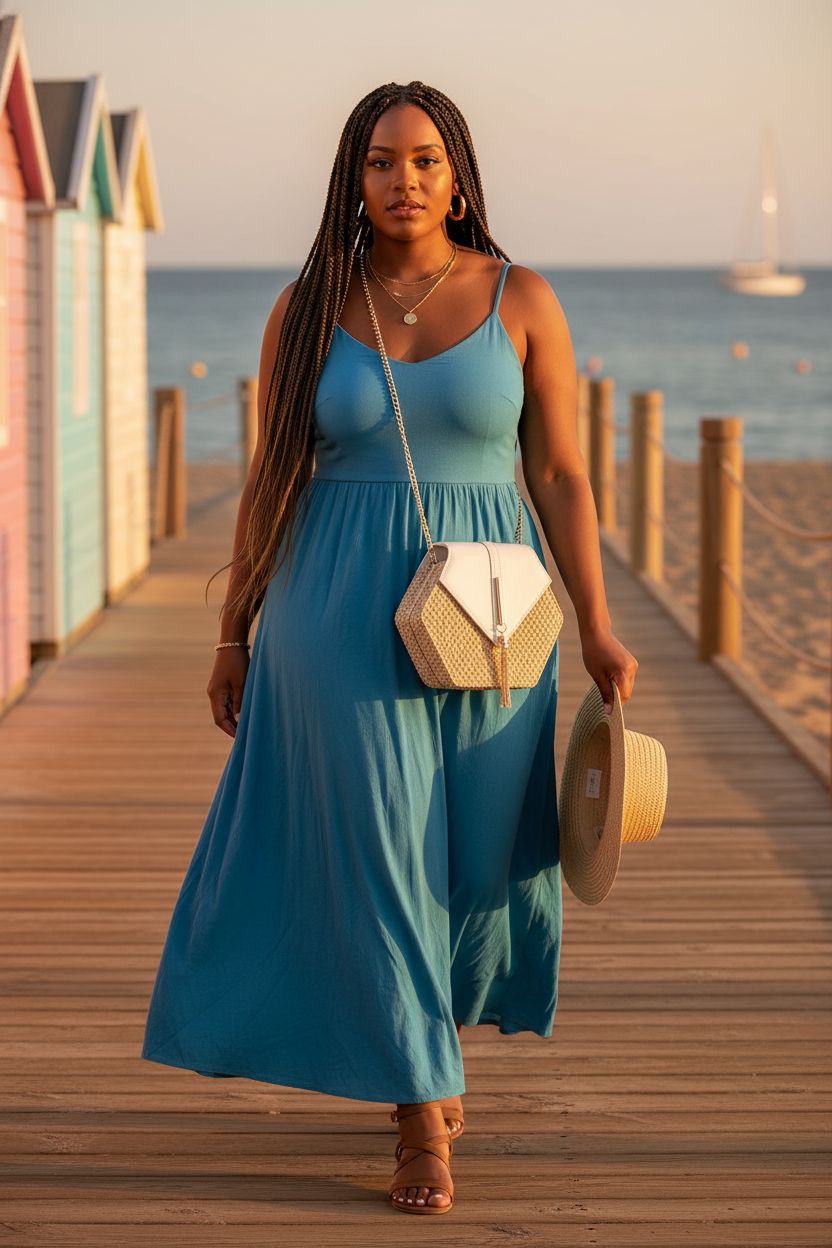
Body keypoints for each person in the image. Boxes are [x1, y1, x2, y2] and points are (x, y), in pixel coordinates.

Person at [141, 79, 638, 1216]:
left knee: (472, 855)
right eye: (378, 161)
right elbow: (272, 479)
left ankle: (426, 1040)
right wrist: (234, 628)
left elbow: (559, 474)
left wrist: (600, 623)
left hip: (497, 616)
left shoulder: (522, 300)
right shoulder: (309, 305)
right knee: (374, 849)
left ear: (457, 173)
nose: (400, 179)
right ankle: (419, 1113)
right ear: (351, 178)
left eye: (421, 160)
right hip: (334, 609)